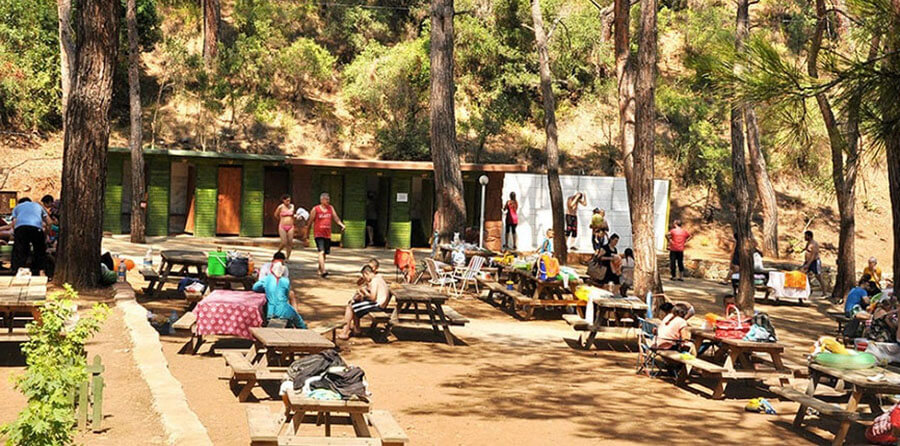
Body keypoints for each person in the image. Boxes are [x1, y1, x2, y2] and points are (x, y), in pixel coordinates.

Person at [339, 264, 391, 340]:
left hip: (377, 305)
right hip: (378, 303)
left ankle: (345, 331)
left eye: (364, 276)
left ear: (367, 273)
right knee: (354, 303)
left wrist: (364, 292)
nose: (365, 279)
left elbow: (373, 297)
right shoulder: (378, 278)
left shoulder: (374, 281)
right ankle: (357, 330)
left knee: (350, 307)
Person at [252, 263, 306, 328]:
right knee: (299, 322)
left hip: (271, 313)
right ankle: (307, 333)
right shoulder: (286, 281)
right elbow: (286, 295)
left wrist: (264, 289)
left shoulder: (266, 279)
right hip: (286, 310)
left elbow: (255, 287)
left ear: (272, 270)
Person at [306, 193, 345, 278]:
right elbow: (310, 221)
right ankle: (323, 271)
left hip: (327, 234)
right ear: (322, 200)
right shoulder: (315, 209)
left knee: (324, 254)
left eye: (328, 199)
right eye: (326, 199)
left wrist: (341, 225)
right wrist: (307, 233)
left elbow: (335, 218)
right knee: (321, 251)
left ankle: (320, 269)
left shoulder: (331, 208)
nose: (328, 201)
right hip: (318, 233)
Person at [10, 197, 51, 275]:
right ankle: (40, 270)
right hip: (36, 228)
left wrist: (15, 234)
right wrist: (45, 235)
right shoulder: (38, 206)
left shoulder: (17, 207)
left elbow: (14, 222)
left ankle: (18, 269)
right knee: (39, 249)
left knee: (20, 249)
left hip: (21, 228)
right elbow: (49, 222)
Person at [800, 230, 826, 296]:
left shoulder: (814, 244)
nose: (804, 237)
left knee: (818, 276)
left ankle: (824, 292)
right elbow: (807, 250)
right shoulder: (808, 243)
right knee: (803, 274)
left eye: (805, 236)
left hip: (814, 262)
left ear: (809, 236)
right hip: (807, 261)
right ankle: (809, 289)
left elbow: (813, 255)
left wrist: (808, 264)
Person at [274, 195, 296, 260]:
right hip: (282, 226)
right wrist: (281, 219)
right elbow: (276, 215)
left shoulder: (292, 206)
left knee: (290, 242)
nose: (288, 202)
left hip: (291, 226)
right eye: (287, 200)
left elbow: (293, 214)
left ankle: (288, 257)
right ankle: (278, 252)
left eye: (289, 200)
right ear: (283, 200)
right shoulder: (280, 207)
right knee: (284, 242)